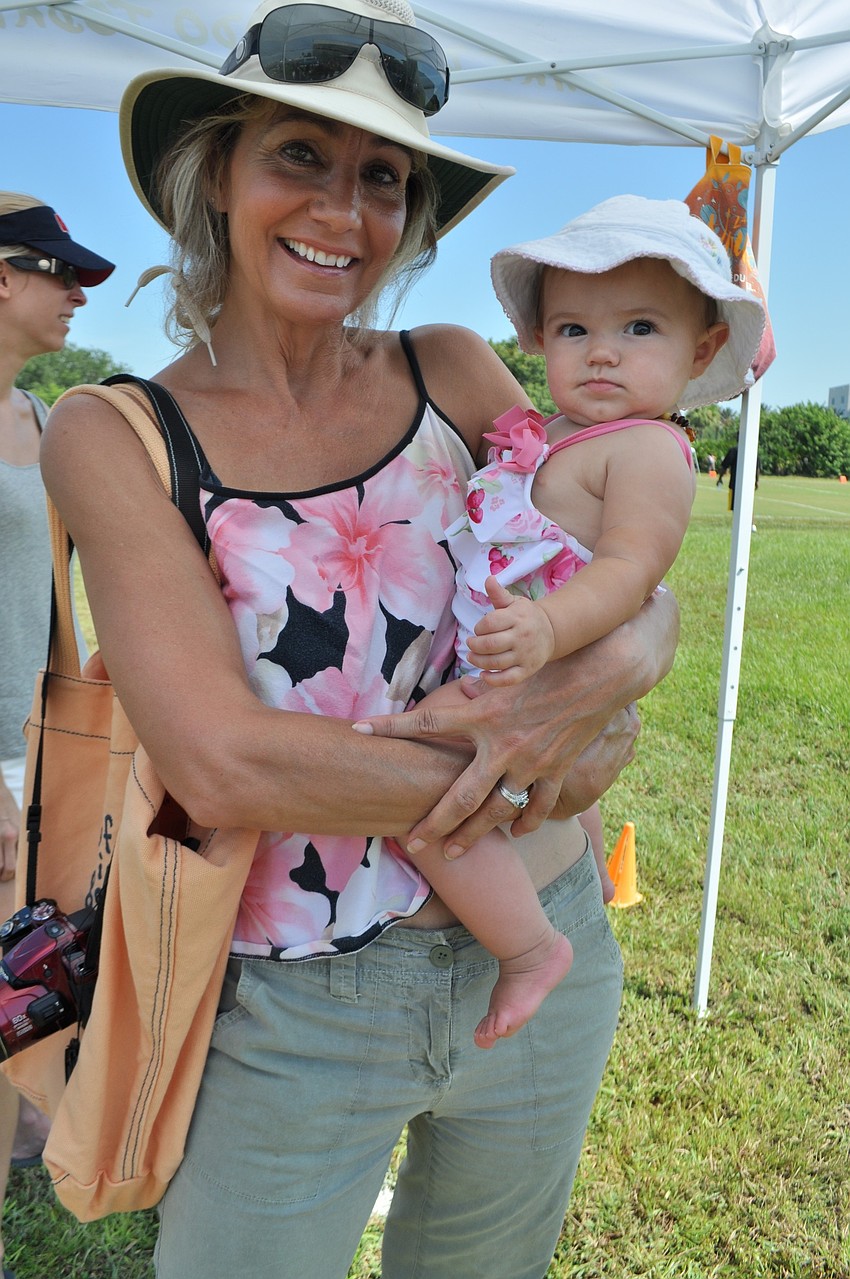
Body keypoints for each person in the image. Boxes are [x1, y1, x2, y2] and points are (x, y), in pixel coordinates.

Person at [42, 3, 681, 1276]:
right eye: (298, 157)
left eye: (381, 178)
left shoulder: (451, 369)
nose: (344, 211)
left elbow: (623, 570)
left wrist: (615, 664)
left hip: (549, 929)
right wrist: (524, 751)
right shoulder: (112, 435)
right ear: (216, 171)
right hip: (296, 1003)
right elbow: (227, 762)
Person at [358, 195, 765, 1050]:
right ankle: (567, 876)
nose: (603, 351)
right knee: (542, 804)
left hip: (543, 665)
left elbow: (630, 570)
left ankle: (532, 949)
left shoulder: (650, 449)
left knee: (433, 809)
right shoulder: (553, 434)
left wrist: (548, 630)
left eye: (641, 329)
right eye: (574, 330)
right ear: (541, 340)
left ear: (702, 350)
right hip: (504, 655)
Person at [0, 192, 114, 1279]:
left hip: (39, 750)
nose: (81, 292)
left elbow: (57, 598)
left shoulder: (39, 417)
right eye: (57, 270)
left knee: (24, 974)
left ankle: (29, 1130)